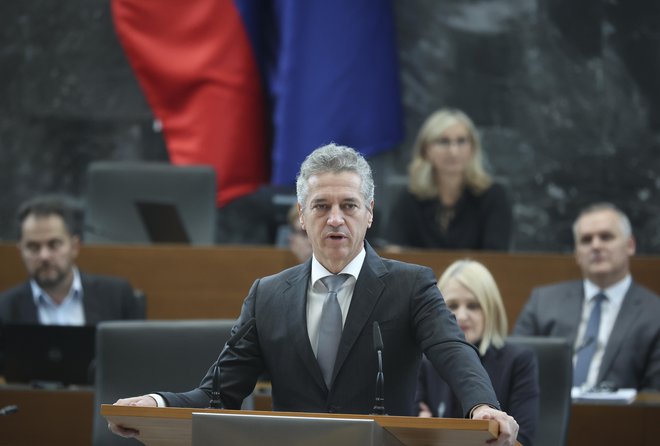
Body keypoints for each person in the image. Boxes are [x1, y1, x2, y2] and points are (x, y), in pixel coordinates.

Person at [109, 143, 519, 445]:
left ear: (370, 212)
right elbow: (218, 394)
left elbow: (453, 350)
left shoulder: (410, 285)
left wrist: (481, 406)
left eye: (349, 205)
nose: (336, 218)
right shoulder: (268, 295)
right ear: (302, 216)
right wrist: (158, 404)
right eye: (321, 206)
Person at [514, 203, 660, 391]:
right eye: (586, 240)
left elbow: (655, 393)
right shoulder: (543, 302)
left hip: (623, 417)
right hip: (549, 416)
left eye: (606, 237)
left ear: (630, 245)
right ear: (577, 253)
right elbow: (515, 367)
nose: (596, 245)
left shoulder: (654, 313)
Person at [416, 259, 539, 446]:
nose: (462, 316)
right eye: (452, 306)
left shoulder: (518, 361)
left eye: (473, 306)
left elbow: (523, 437)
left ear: (491, 310)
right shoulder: (425, 363)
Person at [0, 194, 144, 325]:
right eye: (33, 247)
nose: (44, 256)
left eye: (54, 244)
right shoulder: (5, 309)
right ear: (21, 251)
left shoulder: (117, 297)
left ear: (74, 246)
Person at [385, 108, 512, 251]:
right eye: (444, 142)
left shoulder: (493, 196)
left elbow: (498, 261)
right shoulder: (409, 198)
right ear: (426, 150)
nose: (453, 151)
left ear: (472, 149)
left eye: (461, 141)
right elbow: (394, 252)